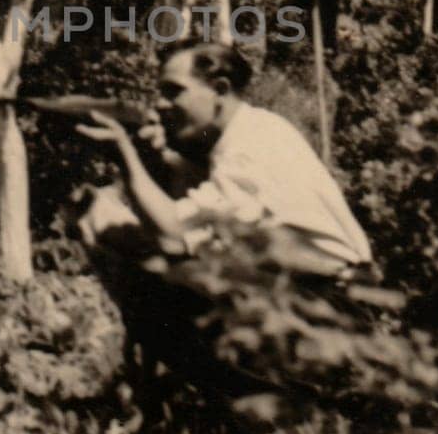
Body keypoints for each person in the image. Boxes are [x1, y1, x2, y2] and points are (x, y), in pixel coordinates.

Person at [78, 41, 372, 276]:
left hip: (324, 296)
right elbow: (205, 201)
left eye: (174, 92)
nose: (161, 105)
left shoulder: (246, 148)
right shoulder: (255, 127)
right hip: (320, 288)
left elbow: (175, 233)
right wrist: (155, 160)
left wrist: (127, 160)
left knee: (102, 216)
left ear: (219, 90)